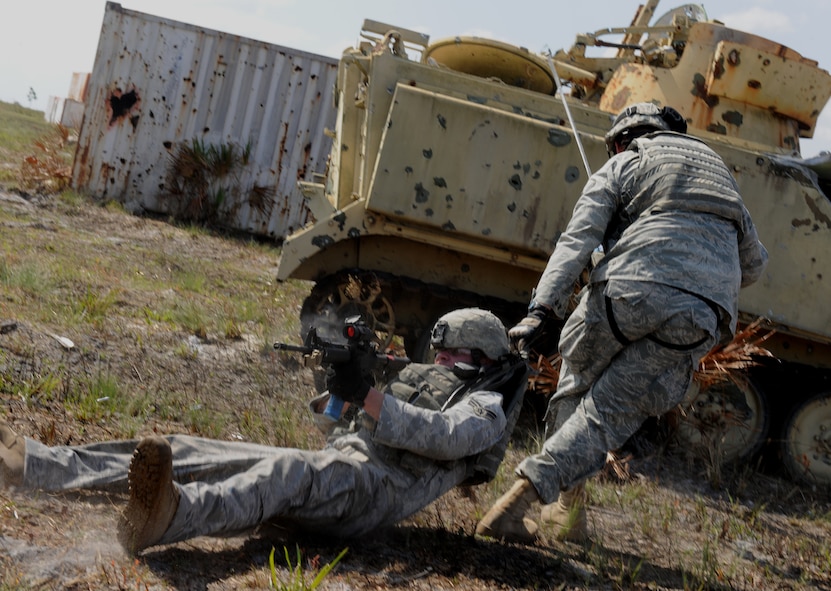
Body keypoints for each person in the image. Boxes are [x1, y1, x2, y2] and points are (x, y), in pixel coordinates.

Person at [0, 308, 528, 555]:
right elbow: (327, 423)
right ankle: (38, 463)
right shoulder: (424, 380)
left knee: (285, 471)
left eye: (450, 352)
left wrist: (368, 391)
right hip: (346, 463)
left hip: (377, 493)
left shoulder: (485, 408)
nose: (437, 360)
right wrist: (341, 384)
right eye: (435, 351)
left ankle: (169, 517)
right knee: (188, 447)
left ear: (480, 360)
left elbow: (443, 437)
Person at [475, 102, 769, 544]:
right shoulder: (719, 172)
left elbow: (577, 241)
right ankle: (563, 516)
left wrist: (541, 309)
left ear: (619, 141)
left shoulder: (625, 163)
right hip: (699, 315)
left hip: (627, 291)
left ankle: (537, 505)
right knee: (605, 415)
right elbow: (754, 265)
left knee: (574, 385)